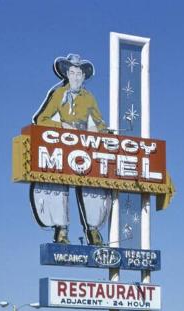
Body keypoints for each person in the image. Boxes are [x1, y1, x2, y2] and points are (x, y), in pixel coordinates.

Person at [30, 54, 111, 245]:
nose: (75, 77)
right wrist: (62, 127)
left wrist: (95, 129)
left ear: (83, 77)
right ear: (67, 74)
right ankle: (61, 231)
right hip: (61, 147)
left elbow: (100, 123)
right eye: (72, 72)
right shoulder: (58, 94)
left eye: (79, 73)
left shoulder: (89, 97)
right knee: (56, 185)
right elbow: (41, 119)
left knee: (94, 188)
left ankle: (93, 230)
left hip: (84, 148)